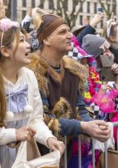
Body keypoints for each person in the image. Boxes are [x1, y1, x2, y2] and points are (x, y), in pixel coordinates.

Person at [0, 18, 65, 167]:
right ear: (5, 50)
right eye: (22, 41)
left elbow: (35, 120)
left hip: (23, 157)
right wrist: (14, 134)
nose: (28, 45)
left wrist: (48, 139)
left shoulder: (29, 76)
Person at [27, 12, 111, 160]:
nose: (70, 36)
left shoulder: (73, 70)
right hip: (37, 152)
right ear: (46, 39)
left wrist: (93, 125)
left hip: (66, 151)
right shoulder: (33, 72)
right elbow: (44, 119)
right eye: (62, 32)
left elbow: (80, 108)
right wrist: (83, 127)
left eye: (69, 31)